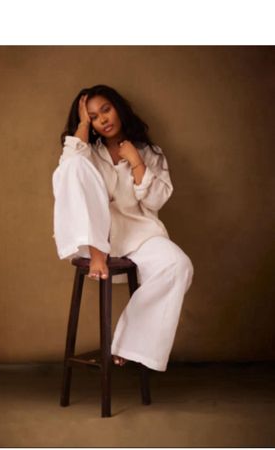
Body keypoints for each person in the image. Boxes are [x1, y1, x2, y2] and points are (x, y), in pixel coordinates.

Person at [52, 85, 192, 370]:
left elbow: (156, 200)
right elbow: (67, 172)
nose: (102, 119)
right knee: (74, 166)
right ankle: (97, 252)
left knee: (179, 265)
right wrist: (80, 127)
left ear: (118, 108)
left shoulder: (149, 152)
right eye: (93, 117)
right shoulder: (87, 154)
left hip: (139, 232)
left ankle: (129, 344)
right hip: (97, 235)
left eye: (106, 109)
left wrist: (137, 161)